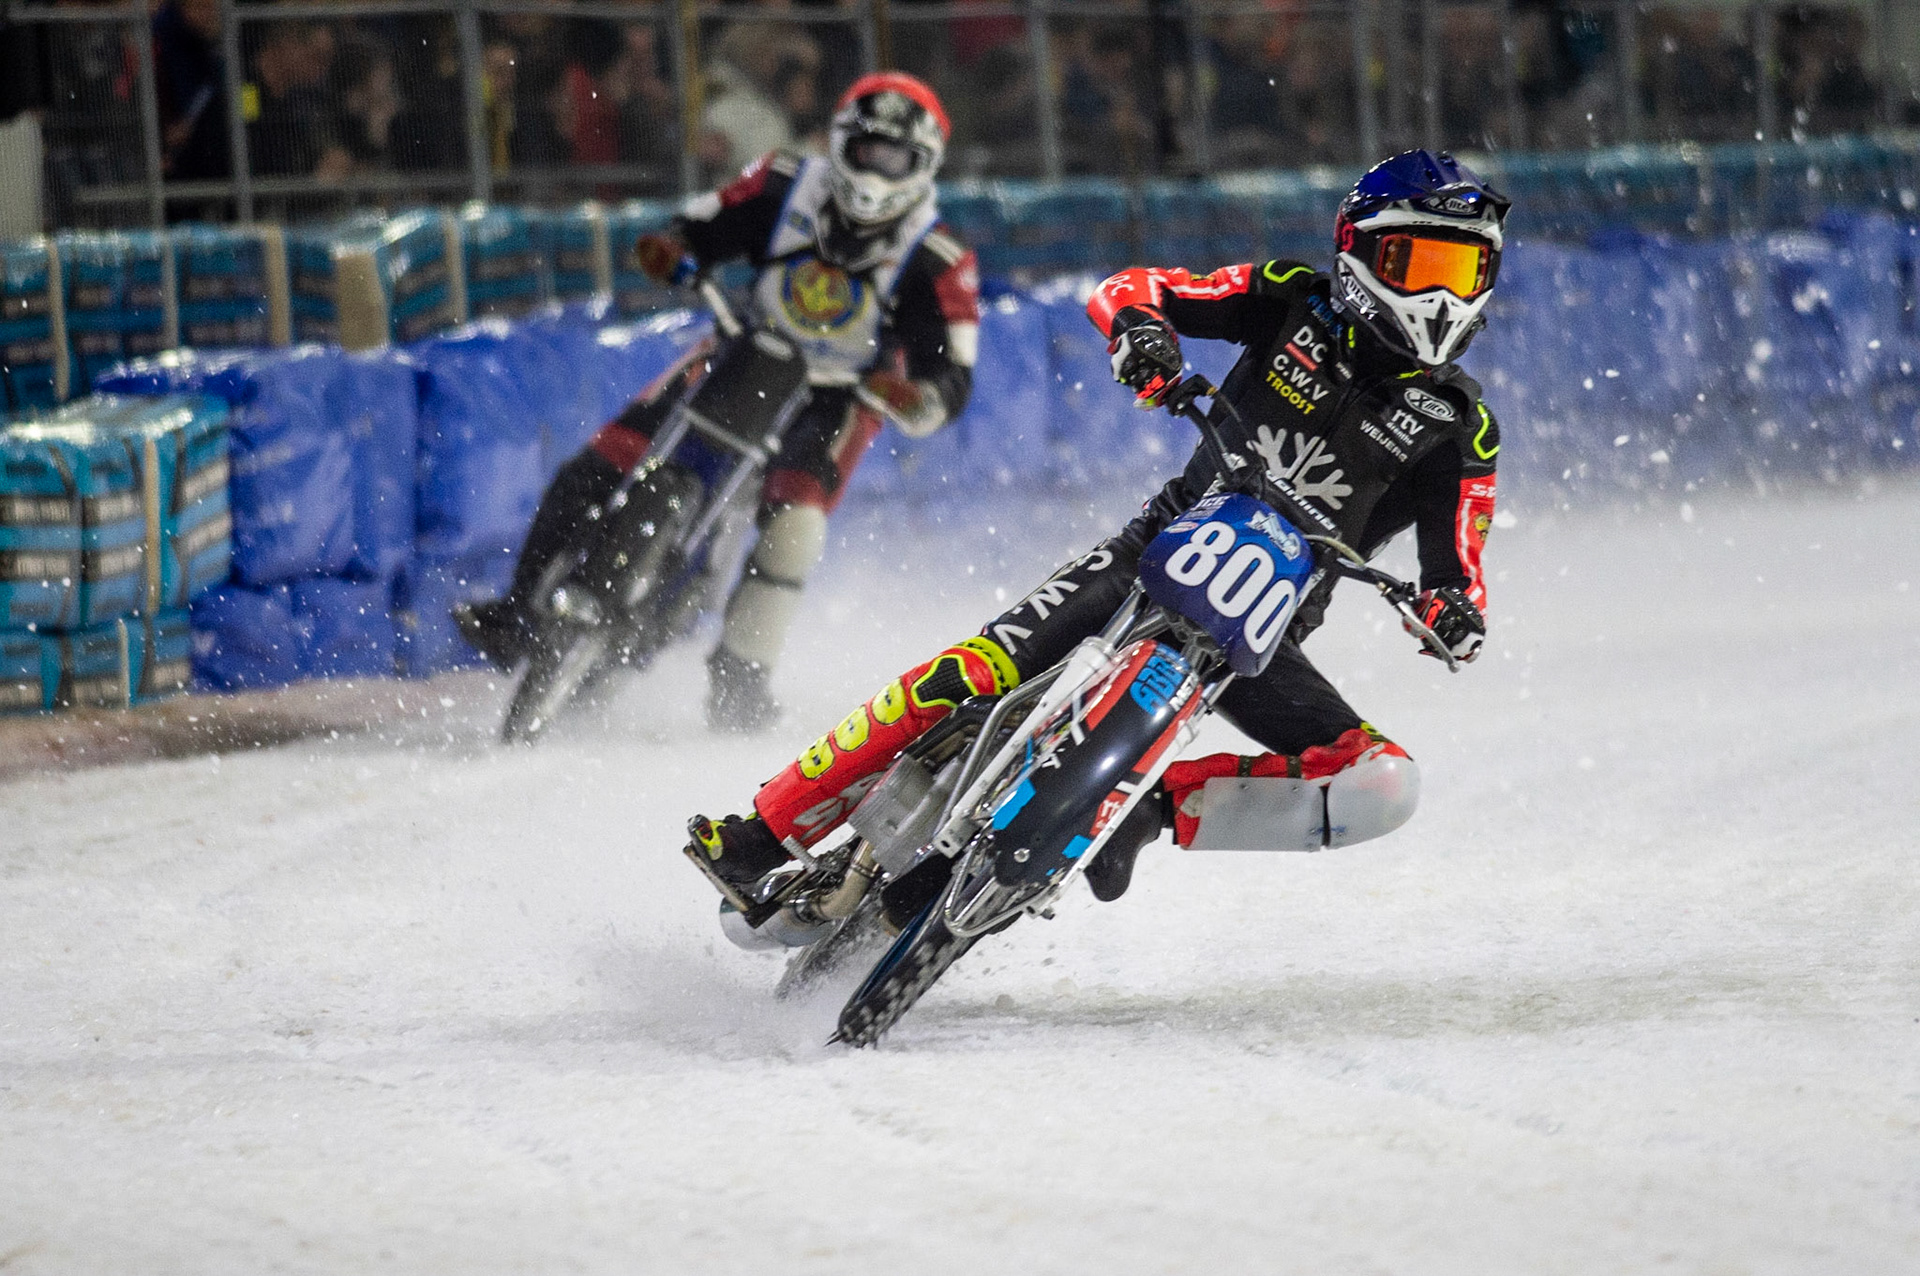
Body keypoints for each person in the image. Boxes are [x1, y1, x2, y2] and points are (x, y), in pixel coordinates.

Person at [684, 149, 1507, 905]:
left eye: (1464, 269)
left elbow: (1458, 574)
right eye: (1420, 262)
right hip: (1149, 554)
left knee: (1385, 783)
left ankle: (1150, 814)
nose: (1442, 294)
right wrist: (1143, 333)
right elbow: (1127, 288)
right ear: (1357, 250)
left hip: (1262, 641)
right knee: (971, 670)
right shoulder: (1291, 293)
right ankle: (763, 832)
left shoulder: (1463, 427)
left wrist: (1452, 615)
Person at [458, 71, 981, 733]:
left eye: (895, 157)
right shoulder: (784, 179)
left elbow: (952, 371)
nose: (876, 169)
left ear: (924, 165)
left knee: (796, 526)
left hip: (841, 396)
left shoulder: (939, 255)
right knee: (599, 459)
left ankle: (741, 681)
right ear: (842, 140)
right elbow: (703, 223)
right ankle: (516, 616)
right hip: (743, 349)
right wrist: (675, 249)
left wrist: (919, 396)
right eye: (868, 148)